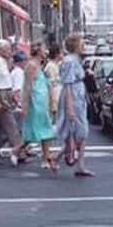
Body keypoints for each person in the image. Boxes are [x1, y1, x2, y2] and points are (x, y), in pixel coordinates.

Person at [53, 33, 94, 177]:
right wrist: (69, 107)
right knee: (79, 132)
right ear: (75, 46)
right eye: (81, 43)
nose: (84, 46)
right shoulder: (70, 61)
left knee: (78, 133)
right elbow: (68, 85)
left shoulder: (76, 60)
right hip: (74, 99)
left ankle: (63, 161)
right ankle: (78, 165)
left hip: (78, 97)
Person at [21, 42, 57, 172]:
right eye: (43, 49)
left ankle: (45, 157)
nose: (46, 51)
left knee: (44, 129)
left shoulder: (41, 65)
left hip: (43, 100)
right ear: (37, 51)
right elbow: (27, 86)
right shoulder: (31, 65)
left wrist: (51, 102)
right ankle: (18, 149)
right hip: (35, 102)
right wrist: (25, 104)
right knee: (38, 130)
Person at [45, 44, 63, 117]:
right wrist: (53, 105)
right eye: (61, 52)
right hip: (55, 98)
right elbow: (51, 86)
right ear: (56, 54)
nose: (63, 55)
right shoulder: (50, 67)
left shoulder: (56, 65)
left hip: (59, 97)